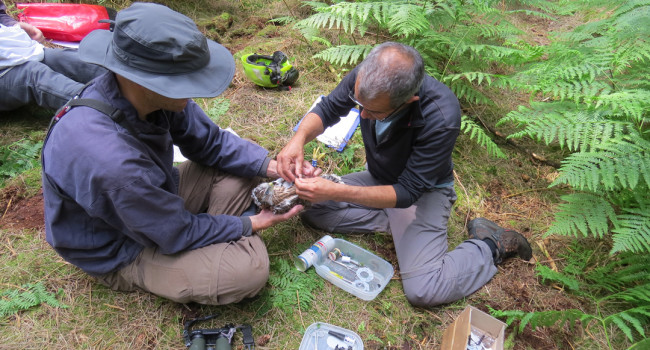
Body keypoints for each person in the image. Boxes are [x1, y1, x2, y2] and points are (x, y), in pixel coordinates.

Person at [41, 3, 304, 305]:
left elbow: (211, 144)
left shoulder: (151, 95)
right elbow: (174, 232)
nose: (192, 91)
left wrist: (274, 168)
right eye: (184, 82)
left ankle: (212, 237)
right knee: (248, 271)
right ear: (140, 78)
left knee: (246, 168)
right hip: (122, 244)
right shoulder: (109, 160)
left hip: (151, 202)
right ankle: (210, 245)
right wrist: (254, 223)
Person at [277, 42, 532, 307]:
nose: (362, 114)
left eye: (374, 111)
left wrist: (337, 191)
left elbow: (409, 191)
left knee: (424, 289)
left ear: (408, 101)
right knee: (310, 207)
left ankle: (491, 244)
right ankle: (400, 226)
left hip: (421, 194)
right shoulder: (369, 77)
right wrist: (298, 140)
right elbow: (330, 108)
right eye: (359, 104)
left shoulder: (441, 116)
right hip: (380, 178)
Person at [0, 0, 105, 111]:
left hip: (8, 52)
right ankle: (110, 109)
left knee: (59, 59)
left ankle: (122, 79)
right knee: (34, 74)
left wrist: (15, 26)